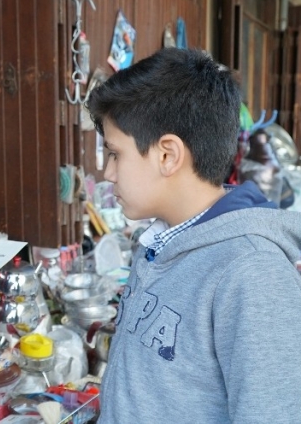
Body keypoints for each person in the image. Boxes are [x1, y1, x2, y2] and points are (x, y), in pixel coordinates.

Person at [87, 47, 301, 423]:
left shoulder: (253, 273)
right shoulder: (159, 240)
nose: (108, 173)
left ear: (168, 155)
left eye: (115, 154)